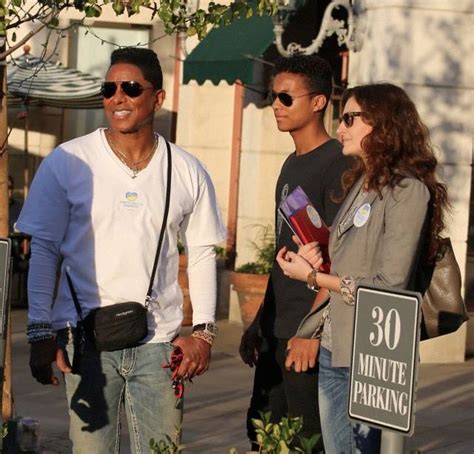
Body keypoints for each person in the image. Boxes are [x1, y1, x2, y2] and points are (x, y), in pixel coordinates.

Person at [16, 47, 226, 453]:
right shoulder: (68, 161)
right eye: (108, 88)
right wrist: (40, 332)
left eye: (130, 88)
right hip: (83, 341)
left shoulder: (186, 169)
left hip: (160, 344)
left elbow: (201, 253)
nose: (117, 98)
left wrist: (203, 333)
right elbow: (44, 250)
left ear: (158, 99)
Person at [276, 83, 449, 453]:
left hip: (373, 353)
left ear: (383, 124)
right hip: (335, 344)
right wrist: (316, 259)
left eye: (350, 118)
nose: (340, 128)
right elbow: (351, 262)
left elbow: (390, 284)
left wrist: (312, 277)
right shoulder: (362, 182)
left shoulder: (408, 190)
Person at [239, 54, 353, 452]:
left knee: (309, 443)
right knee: (264, 437)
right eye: (274, 96)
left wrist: (312, 332)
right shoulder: (291, 163)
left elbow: (345, 259)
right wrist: (258, 322)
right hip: (278, 329)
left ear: (319, 102)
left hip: (310, 337)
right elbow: (285, 254)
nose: (276, 105)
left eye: (287, 98)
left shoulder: (339, 164)